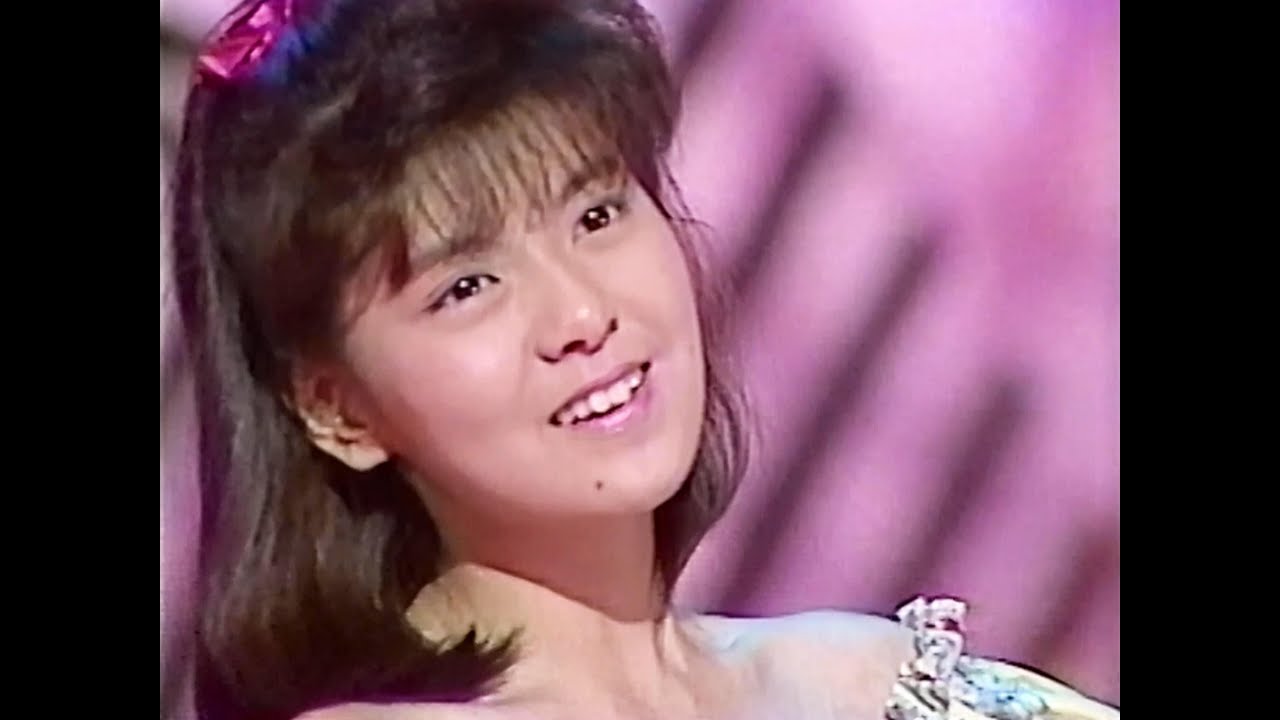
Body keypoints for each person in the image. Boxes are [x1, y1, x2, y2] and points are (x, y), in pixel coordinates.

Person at [170, 0, 1120, 718]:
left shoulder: (875, 682)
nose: (582, 315)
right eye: (466, 286)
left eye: (597, 214)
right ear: (335, 408)